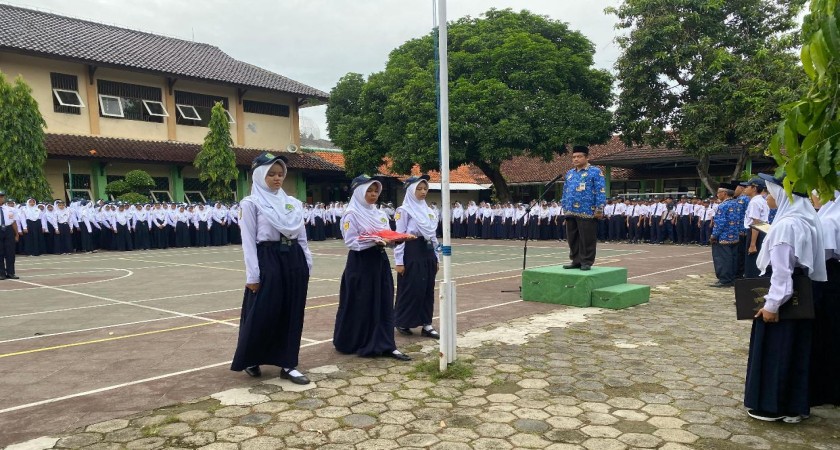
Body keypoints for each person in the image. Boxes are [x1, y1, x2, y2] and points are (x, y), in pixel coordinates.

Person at [745, 173, 827, 423]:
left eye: (771, 192)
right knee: (795, 350)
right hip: (802, 296)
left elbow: (782, 273)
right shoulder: (806, 220)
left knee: (776, 352)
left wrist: (771, 305)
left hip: (782, 301)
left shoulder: (786, 225)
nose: (768, 197)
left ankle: (771, 407)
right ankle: (794, 406)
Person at [231, 152, 313, 384]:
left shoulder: (292, 203)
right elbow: (248, 241)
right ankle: (251, 358)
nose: (277, 179)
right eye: (271, 174)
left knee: (292, 311)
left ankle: (288, 363)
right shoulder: (251, 204)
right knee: (263, 311)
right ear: (259, 176)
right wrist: (253, 275)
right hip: (268, 258)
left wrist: (307, 263)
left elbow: (302, 237)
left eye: (280, 174)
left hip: (293, 258)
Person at [333, 175, 412, 361]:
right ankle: (357, 341)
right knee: (361, 302)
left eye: (376, 191)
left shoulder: (380, 214)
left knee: (384, 301)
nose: (373, 194)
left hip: (379, 262)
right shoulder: (351, 214)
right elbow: (351, 241)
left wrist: (398, 239)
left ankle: (386, 344)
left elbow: (387, 237)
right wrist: (376, 240)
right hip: (360, 263)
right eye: (369, 190)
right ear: (359, 191)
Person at [394, 175, 440, 339]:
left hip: (427, 251)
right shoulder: (403, 211)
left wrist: (437, 257)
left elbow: (433, 236)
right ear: (411, 191)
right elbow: (399, 237)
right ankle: (403, 321)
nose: (423, 192)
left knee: (428, 288)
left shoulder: (429, 211)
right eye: (419, 189)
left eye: (425, 188)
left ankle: (426, 323)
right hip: (411, 251)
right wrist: (399, 262)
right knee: (411, 288)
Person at [811, 186, 840, 407]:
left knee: (828, 331)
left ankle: (826, 389)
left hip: (829, 277)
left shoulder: (830, 219)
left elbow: (823, 254)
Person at [560, 145, 606, 271]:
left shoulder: (595, 172)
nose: (576, 159)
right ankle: (576, 260)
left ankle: (586, 261)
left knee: (587, 238)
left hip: (587, 210)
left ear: (586, 157)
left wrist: (599, 209)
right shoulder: (570, 173)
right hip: (570, 210)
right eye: (574, 157)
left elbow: (600, 191)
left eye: (579, 156)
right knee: (572, 238)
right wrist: (564, 206)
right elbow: (565, 191)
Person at [709, 183, 740, 287]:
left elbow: (720, 223)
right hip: (735, 236)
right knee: (732, 258)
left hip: (723, 237)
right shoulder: (736, 203)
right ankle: (731, 278)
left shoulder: (723, 206)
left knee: (722, 259)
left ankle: (724, 280)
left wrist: (714, 235)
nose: (717, 195)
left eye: (718, 192)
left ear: (724, 193)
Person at [742, 178, 770, 278]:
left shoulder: (755, 202)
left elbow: (756, 222)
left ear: (754, 188)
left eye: (747, 186)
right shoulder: (761, 200)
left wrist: (753, 243)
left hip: (756, 232)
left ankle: (753, 282)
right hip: (763, 230)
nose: (745, 188)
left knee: (753, 260)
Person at [0, 191, 20, 280]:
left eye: (2, 197)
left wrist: (16, 234)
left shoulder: (10, 209)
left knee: (10, 252)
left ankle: (11, 272)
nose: (1, 198)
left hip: (8, 230)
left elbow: (14, 222)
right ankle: (1, 273)